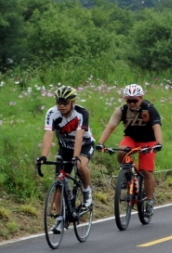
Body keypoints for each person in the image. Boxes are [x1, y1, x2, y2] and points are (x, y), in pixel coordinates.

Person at [95, 84, 163, 216]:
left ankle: (149, 201)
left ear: (141, 98)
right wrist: (100, 143)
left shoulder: (149, 109)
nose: (132, 103)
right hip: (131, 138)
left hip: (149, 141)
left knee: (146, 170)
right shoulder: (122, 110)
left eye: (135, 100)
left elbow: (156, 127)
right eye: (129, 100)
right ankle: (128, 174)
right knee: (121, 152)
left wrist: (159, 143)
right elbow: (110, 127)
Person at [36, 86, 95, 234]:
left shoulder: (82, 113)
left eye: (65, 103)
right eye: (59, 102)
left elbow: (80, 135)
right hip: (65, 148)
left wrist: (76, 157)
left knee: (80, 166)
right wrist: (44, 156)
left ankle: (87, 192)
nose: (61, 106)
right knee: (59, 183)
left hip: (84, 145)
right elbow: (48, 134)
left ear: (72, 102)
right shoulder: (52, 113)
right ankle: (60, 219)